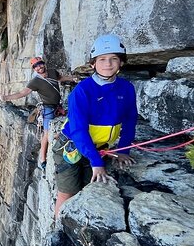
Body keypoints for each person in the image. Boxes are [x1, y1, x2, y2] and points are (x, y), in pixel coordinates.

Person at [54, 34, 138, 217]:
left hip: (99, 148)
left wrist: (124, 150)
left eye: (114, 59)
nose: (108, 63)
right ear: (93, 64)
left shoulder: (126, 88)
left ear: (121, 63)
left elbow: (130, 119)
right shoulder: (83, 91)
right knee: (67, 193)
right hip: (72, 146)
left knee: (89, 189)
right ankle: (59, 230)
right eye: (102, 59)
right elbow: (78, 130)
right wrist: (96, 162)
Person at [0, 56, 77, 169]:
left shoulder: (52, 72)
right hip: (48, 108)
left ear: (44, 64)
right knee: (46, 133)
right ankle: (42, 159)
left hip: (57, 105)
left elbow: (60, 78)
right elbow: (23, 93)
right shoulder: (35, 82)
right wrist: (6, 98)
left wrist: (73, 78)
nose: (39, 67)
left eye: (40, 64)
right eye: (35, 66)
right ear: (34, 69)